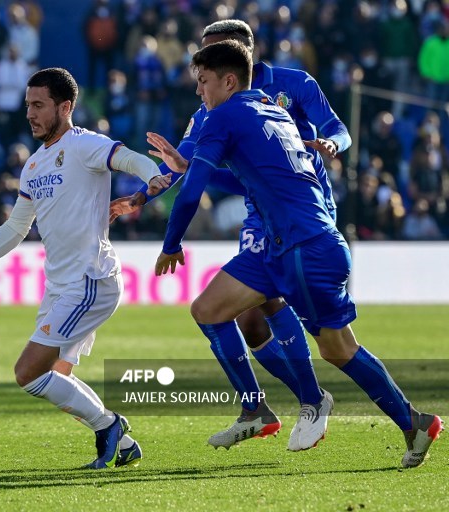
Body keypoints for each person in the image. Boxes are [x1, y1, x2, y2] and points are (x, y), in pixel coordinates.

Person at [148, 39, 442, 468]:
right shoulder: (270, 109)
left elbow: (192, 195)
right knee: (209, 309)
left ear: (228, 81)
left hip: (304, 248)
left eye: (204, 81)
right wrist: (187, 167)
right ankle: (255, 408)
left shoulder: (223, 115)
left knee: (338, 349)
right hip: (283, 243)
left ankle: (412, 421)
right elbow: (254, 173)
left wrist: (171, 243)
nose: (199, 92)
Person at [112, 19, 351, 451]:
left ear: (242, 55)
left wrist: (333, 145)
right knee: (248, 318)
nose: (203, 67)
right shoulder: (209, 109)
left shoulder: (293, 84)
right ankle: (267, 407)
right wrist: (140, 198)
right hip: (255, 209)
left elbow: (339, 128)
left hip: (300, 209)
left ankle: (310, 402)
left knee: (277, 306)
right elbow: (181, 163)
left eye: (216, 53)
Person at [0, 68, 173, 469]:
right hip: (60, 286)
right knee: (57, 377)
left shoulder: (85, 146)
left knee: (28, 373)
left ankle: (110, 425)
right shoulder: (33, 165)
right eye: (28, 104)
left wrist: (151, 179)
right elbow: (17, 226)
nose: (30, 113)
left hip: (90, 281)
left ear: (65, 107)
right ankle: (123, 443)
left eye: (38, 105)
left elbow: (131, 158)